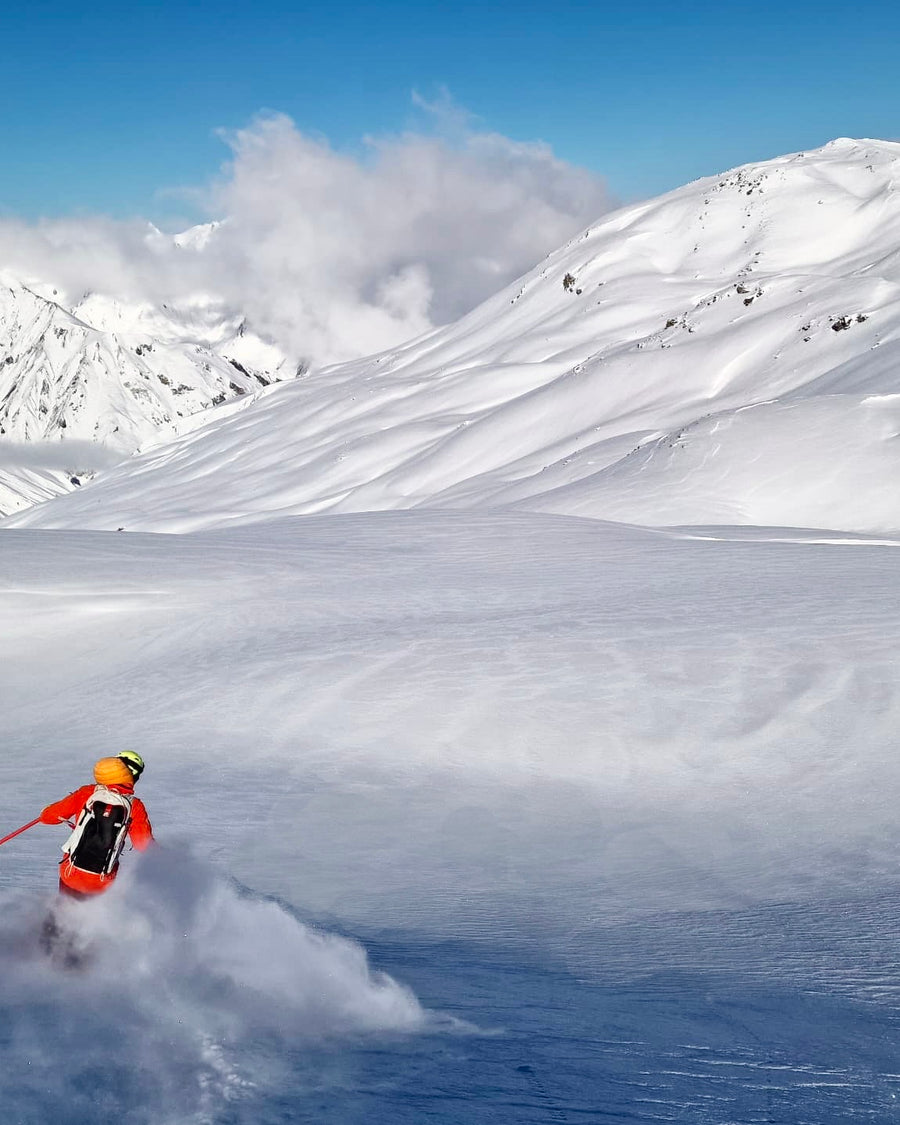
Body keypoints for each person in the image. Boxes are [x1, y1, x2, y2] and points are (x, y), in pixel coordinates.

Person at [39, 751, 154, 899]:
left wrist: (48, 811)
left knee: (64, 909)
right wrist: (169, 857)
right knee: (91, 912)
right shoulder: (135, 806)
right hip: (102, 881)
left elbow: (48, 817)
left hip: (71, 874)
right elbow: (144, 846)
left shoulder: (87, 793)